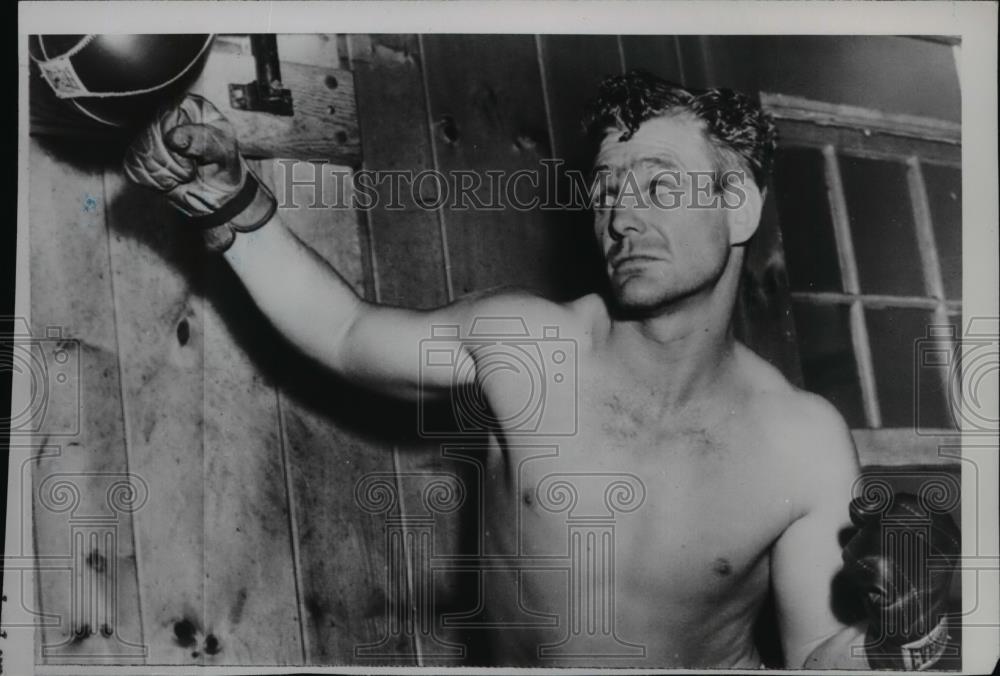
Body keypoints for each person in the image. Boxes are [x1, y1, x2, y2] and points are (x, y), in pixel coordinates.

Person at [124, 70, 959, 669]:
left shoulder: (801, 443)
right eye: (606, 190)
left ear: (736, 203)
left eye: (660, 186)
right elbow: (345, 333)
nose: (622, 212)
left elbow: (820, 654)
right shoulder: (532, 348)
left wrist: (911, 635)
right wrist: (229, 204)